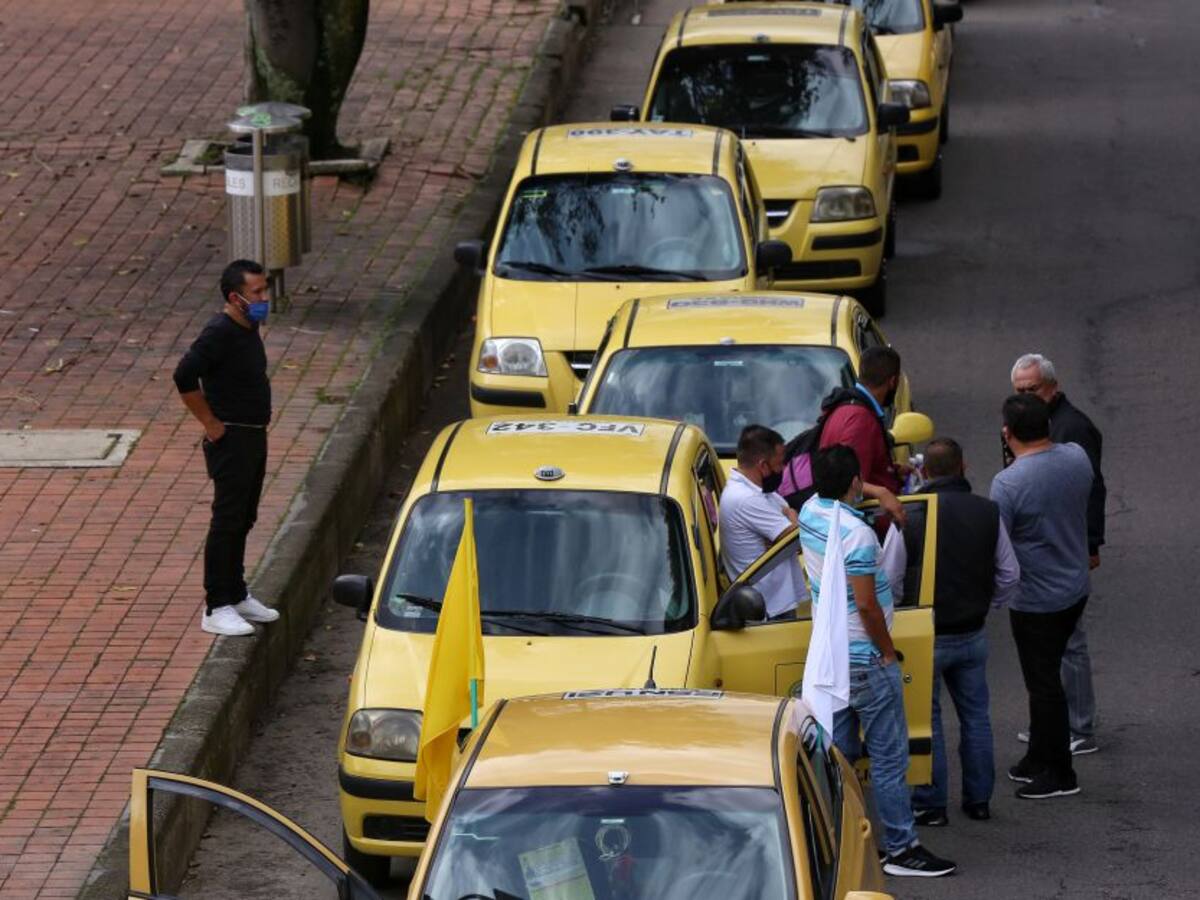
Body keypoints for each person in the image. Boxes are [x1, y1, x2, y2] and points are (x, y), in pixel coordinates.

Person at [799, 445, 955, 877]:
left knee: (839, 756)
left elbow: (837, 489)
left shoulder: (811, 512)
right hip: (867, 659)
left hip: (832, 659)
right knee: (889, 759)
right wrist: (888, 650)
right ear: (853, 482)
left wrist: (872, 488)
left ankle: (836, 837)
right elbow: (867, 606)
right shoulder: (858, 535)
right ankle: (901, 848)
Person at [910, 438, 1020, 826]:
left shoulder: (915, 514)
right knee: (976, 717)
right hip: (972, 633)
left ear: (924, 472)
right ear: (964, 466)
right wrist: (988, 604)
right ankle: (978, 800)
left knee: (929, 719)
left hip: (928, 634)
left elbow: (889, 576)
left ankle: (932, 803)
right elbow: (1009, 573)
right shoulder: (987, 512)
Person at [991, 394, 1092, 799]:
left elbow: (998, 543)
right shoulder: (1076, 458)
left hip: (1035, 598)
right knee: (1045, 678)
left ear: (1007, 433)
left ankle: (1060, 772)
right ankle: (1038, 754)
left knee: (1044, 682)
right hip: (1074, 585)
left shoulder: (1008, 482)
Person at [173, 260, 281, 636]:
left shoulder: (247, 327)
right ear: (235, 297)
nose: (264, 298)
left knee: (245, 516)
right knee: (227, 519)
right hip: (232, 438)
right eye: (257, 293)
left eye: (265, 290)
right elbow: (184, 375)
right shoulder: (218, 333)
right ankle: (216, 605)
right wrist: (211, 424)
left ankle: (236, 593)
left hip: (253, 435)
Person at [1010, 353, 1105, 755]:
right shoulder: (1032, 423)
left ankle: (1079, 727)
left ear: (1053, 386)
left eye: (1032, 390)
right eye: (1019, 391)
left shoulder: (1072, 428)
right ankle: (1051, 723)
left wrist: (1091, 542)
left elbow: (1093, 488)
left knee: (1070, 644)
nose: (1026, 397)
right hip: (1043, 548)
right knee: (1051, 652)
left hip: (1064, 548)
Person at [718, 425, 806, 619]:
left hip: (776, 602)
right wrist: (792, 521)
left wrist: (789, 525)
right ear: (763, 465)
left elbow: (793, 537)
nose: (783, 469)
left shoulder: (760, 493)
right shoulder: (746, 499)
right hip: (767, 609)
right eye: (780, 463)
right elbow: (800, 538)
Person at [818, 346, 908, 526]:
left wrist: (888, 469)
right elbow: (844, 482)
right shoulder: (860, 420)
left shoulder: (845, 408)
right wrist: (881, 492)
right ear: (893, 381)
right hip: (867, 531)